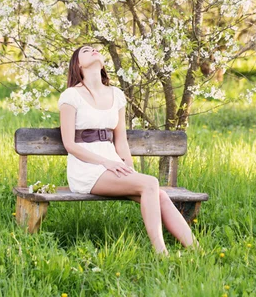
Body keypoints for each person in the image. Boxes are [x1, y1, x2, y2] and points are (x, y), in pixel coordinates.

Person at [57, 45, 199, 256]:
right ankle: (161, 253)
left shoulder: (116, 95)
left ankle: (198, 251)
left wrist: (130, 169)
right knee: (151, 183)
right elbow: (70, 144)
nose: (94, 50)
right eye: (86, 51)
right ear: (78, 64)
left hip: (113, 166)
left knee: (157, 194)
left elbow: (121, 142)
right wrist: (105, 162)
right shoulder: (71, 96)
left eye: (95, 49)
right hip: (86, 169)